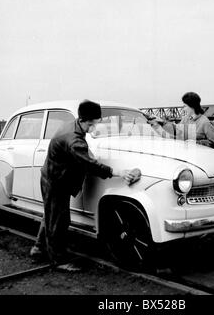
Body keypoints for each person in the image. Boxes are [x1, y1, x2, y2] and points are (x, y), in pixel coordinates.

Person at [30, 100, 139, 269]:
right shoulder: (74, 140)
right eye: (91, 124)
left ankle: (38, 248)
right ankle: (58, 260)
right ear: (83, 121)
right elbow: (90, 165)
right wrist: (119, 172)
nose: (93, 128)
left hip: (52, 177)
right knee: (59, 220)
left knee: (50, 215)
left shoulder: (71, 125)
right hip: (56, 182)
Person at [149, 92, 214, 148]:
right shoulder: (186, 119)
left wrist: (195, 143)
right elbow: (176, 129)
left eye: (185, 106)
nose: (183, 109)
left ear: (192, 106)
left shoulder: (205, 122)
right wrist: (162, 122)